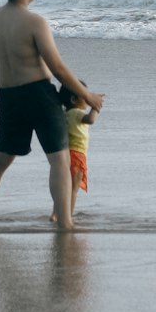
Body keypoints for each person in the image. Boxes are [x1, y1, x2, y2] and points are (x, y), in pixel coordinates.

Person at [0, 0, 105, 232]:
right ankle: (65, 223)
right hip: (38, 94)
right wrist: (87, 96)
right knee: (59, 159)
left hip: (8, 95)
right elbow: (58, 68)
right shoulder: (34, 22)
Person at [55, 83, 98, 222]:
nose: (87, 99)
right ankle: (68, 217)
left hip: (67, 153)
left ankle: (55, 214)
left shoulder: (66, 113)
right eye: (84, 96)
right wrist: (96, 107)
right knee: (73, 188)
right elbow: (90, 120)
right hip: (77, 153)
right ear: (74, 100)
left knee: (65, 187)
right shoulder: (76, 113)